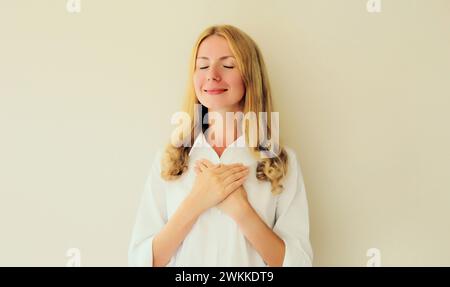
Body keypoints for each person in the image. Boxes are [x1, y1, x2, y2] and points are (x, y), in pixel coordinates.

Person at [128, 25, 313, 267]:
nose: (212, 75)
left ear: (250, 75)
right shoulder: (169, 159)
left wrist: (241, 211)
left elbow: (298, 263)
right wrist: (197, 201)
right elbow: (140, 262)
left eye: (227, 65)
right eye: (203, 65)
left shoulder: (280, 161)